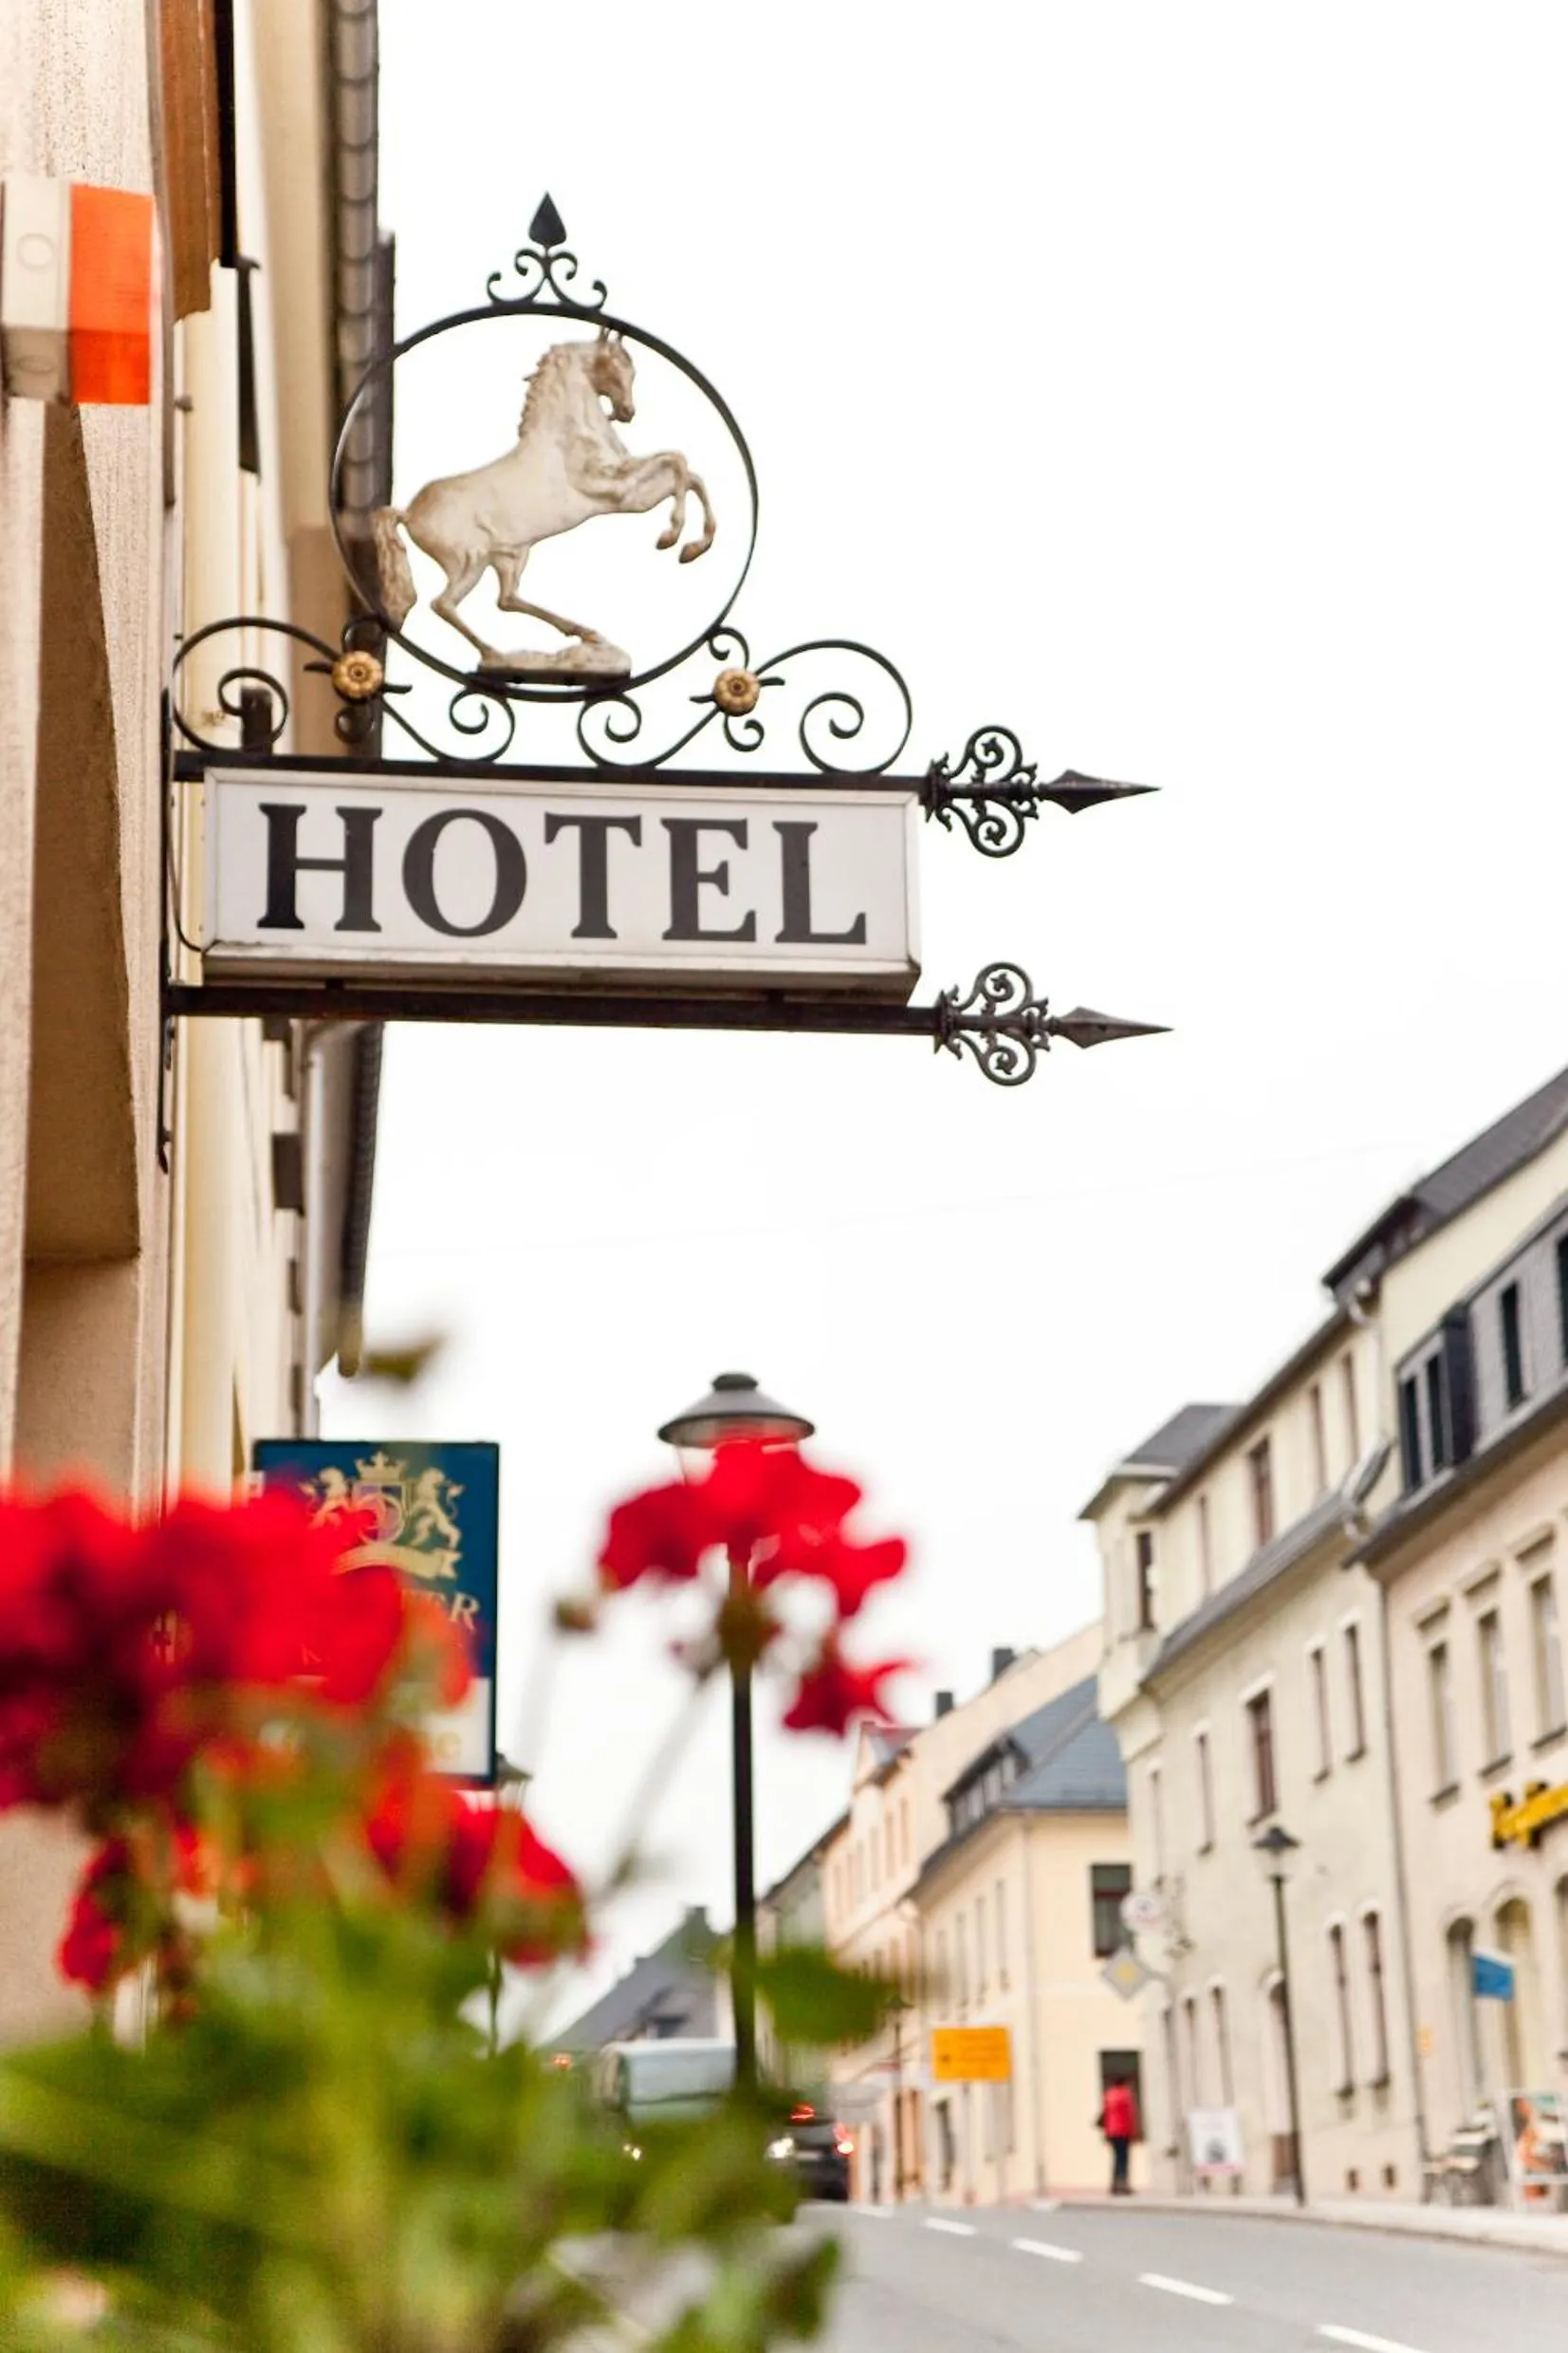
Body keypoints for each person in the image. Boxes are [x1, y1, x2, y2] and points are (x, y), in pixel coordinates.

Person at [1100, 2074, 1139, 2196]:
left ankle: (1115, 2184)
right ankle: (1123, 2184)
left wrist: (1106, 2131)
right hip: (1123, 2130)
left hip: (1112, 2131)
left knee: (1116, 2158)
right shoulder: (1125, 2095)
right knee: (1123, 2159)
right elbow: (1130, 2115)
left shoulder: (1109, 2095)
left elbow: (1106, 2114)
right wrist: (1134, 2132)